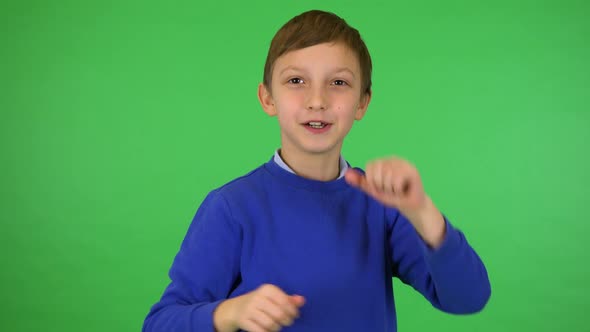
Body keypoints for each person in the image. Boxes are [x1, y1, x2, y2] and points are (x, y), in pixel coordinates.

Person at [142, 9, 491, 332]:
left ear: (362, 102)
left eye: (338, 83)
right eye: (296, 81)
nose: (317, 100)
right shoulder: (231, 207)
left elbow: (468, 298)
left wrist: (421, 210)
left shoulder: (383, 205)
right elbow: (160, 323)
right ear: (267, 98)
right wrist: (228, 313)